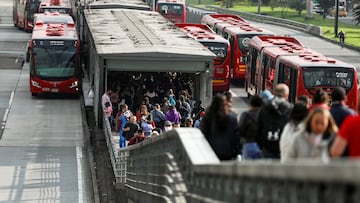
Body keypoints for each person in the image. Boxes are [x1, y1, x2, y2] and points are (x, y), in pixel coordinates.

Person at [256, 83, 292, 159]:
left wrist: (260, 146)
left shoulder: (264, 108)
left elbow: (258, 127)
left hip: (267, 147)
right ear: (286, 95)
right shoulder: (290, 108)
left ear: (274, 93)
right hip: (283, 148)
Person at [200, 94, 240, 160]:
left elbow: (203, 133)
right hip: (228, 153)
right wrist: (236, 152)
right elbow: (237, 137)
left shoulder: (208, 118)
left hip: (211, 152)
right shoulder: (232, 118)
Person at [238, 95, 263, 160]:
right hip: (262, 147)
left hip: (249, 144)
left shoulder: (246, 115)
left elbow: (240, 130)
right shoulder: (265, 115)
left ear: (251, 103)